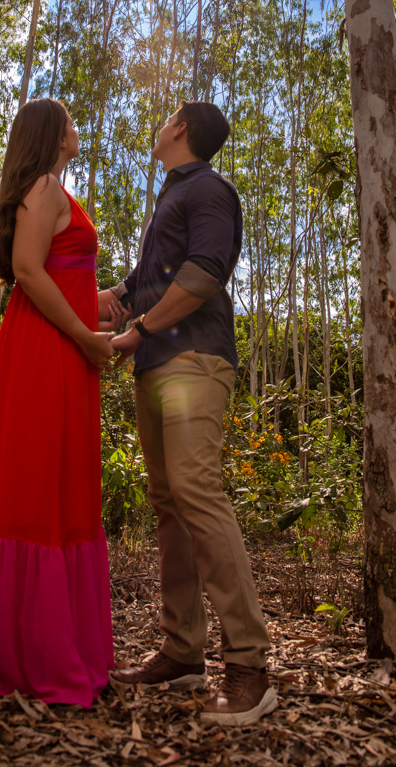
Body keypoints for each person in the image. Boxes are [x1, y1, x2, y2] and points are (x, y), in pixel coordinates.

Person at [102, 101, 276, 727]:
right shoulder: (172, 197)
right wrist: (47, 288)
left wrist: (140, 328)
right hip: (155, 364)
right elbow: (134, 288)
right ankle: (182, 651)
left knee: (196, 489)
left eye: (166, 116)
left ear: (180, 129)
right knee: (168, 503)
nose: (158, 124)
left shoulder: (209, 189)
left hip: (194, 359)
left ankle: (249, 664)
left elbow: (204, 274)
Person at [0, 98, 117, 705]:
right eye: (69, 120)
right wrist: (84, 337)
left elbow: (60, 275)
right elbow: (27, 268)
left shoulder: (51, 190)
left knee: (61, 486)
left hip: (59, 347)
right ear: (51, 135)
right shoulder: (44, 187)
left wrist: (107, 301)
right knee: (38, 489)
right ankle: (31, 654)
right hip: (46, 352)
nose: (77, 127)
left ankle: (45, 644)